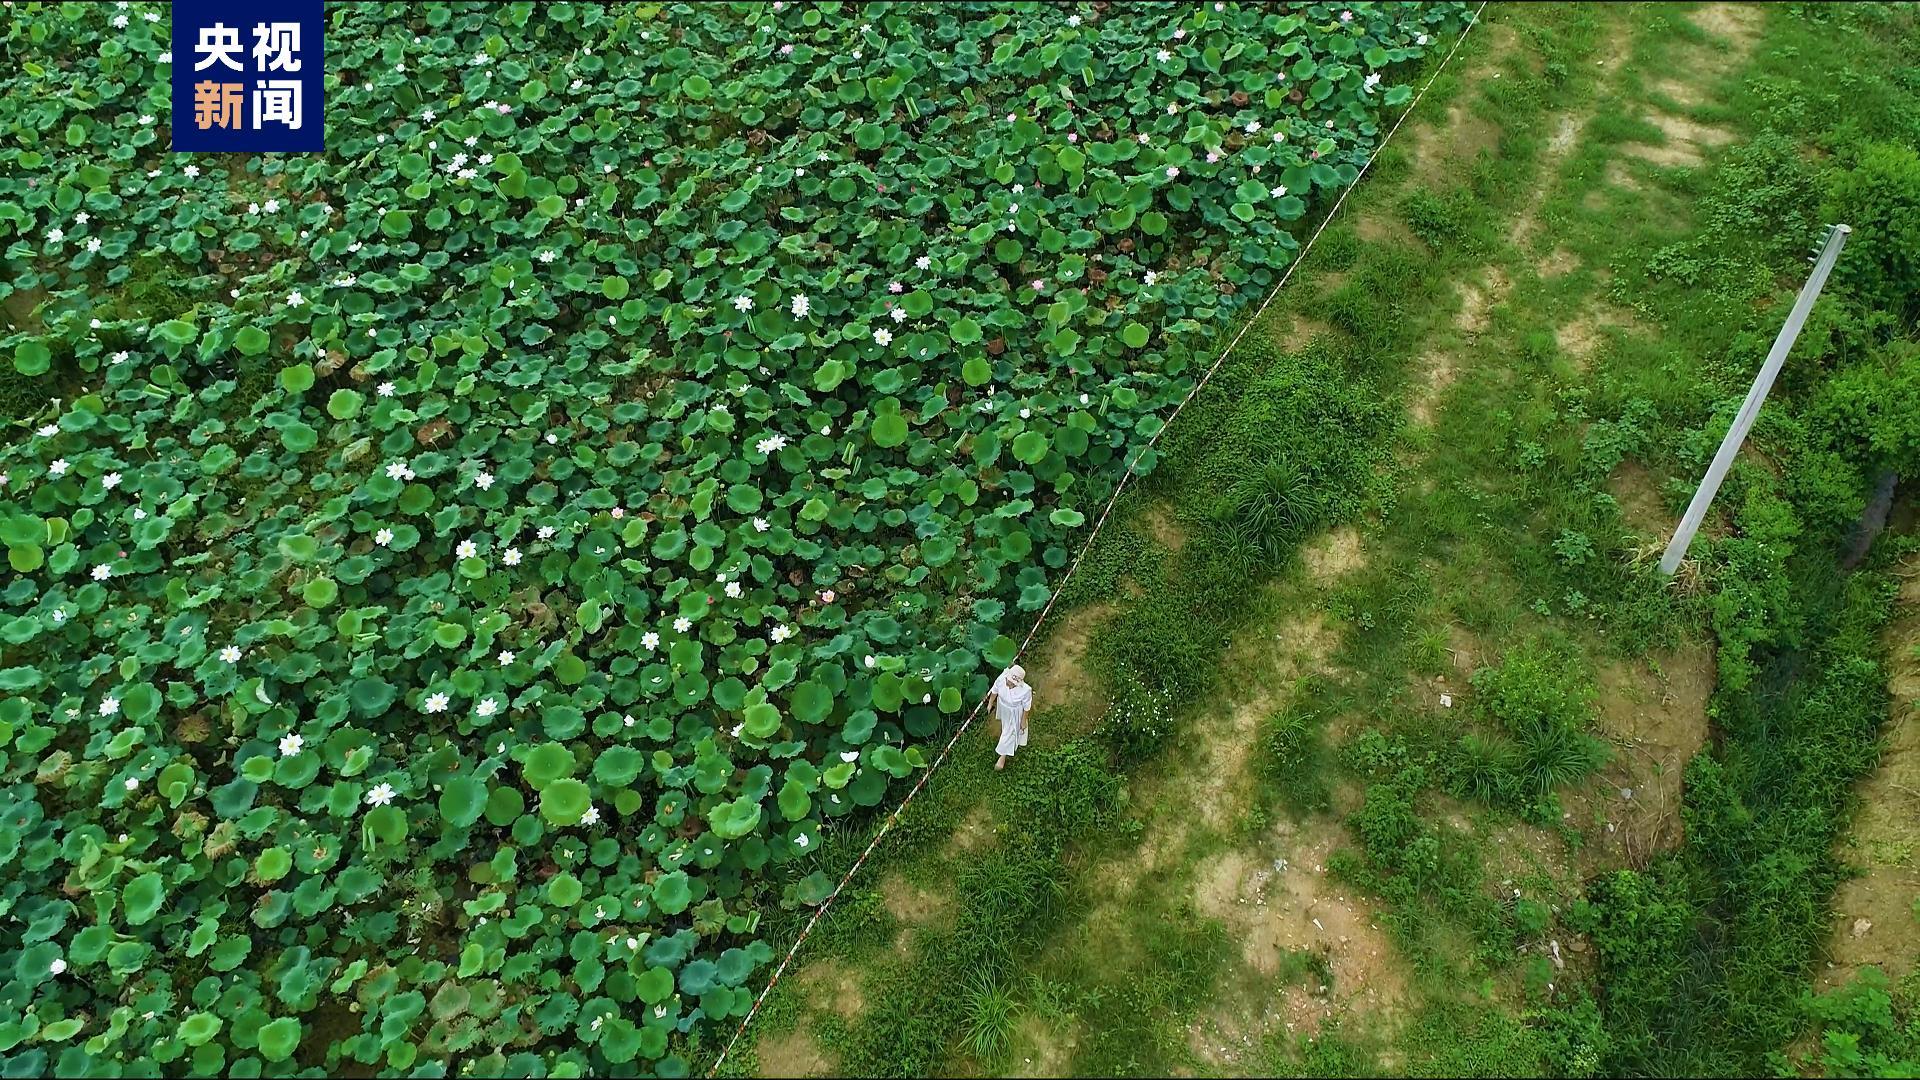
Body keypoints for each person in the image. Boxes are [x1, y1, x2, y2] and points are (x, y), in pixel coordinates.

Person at [986, 664, 1033, 771]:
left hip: (1015, 711)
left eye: (1013, 683)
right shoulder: (1001, 679)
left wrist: (1023, 720)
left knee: (1010, 733)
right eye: (1009, 681)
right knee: (1006, 726)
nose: (1010, 684)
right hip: (1003, 707)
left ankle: (1002, 757)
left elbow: (1027, 707)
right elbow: (994, 691)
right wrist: (990, 703)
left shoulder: (1025, 691)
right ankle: (1005, 741)